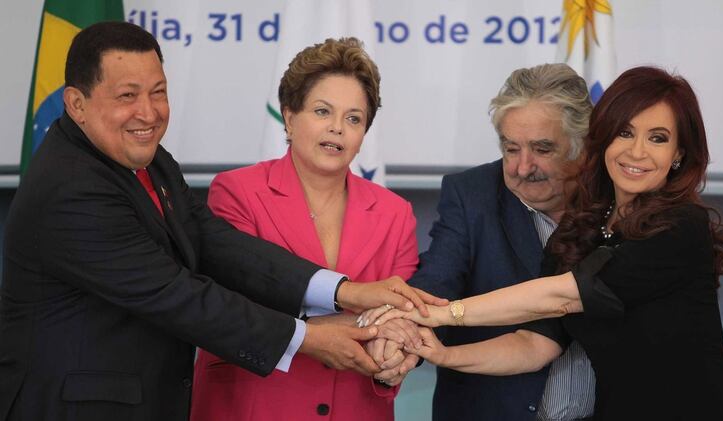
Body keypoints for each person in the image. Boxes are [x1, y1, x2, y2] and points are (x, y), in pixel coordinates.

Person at [0, 22, 441, 421]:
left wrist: (345, 290)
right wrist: (306, 336)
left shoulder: (147, 159)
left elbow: (214, 242)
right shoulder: (71, 186)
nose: (149, 113)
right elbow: (177, 294)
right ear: (76, 103)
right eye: (127, 96)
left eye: (159, 92)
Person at [372, 66, 723, 420]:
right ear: (603, 141)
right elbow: (535, 345)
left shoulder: (680, 225)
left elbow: (563, 296)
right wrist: (441, 352)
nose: (637, 151)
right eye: (624, 133)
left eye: (658, 138)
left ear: (678, 154)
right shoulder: (583, 230)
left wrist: (439, 314)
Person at [189, 37, 423, 421]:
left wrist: (396, 354)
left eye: (353, 118)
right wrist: (363, 322)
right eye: (322, 111)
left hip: (355, 408)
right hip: (254, 405)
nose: (337, 129)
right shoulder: (238, 192)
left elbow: (400, 318)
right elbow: (235, 305)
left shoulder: (395, 213)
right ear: (289, 116)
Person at [371, 63, 596, 421]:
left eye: (542, 149)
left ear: (581, 147)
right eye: (511, 149)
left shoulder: (617, 203)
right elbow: (437, 280)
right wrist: (404, 331)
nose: (523, 167)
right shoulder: (472, 195)